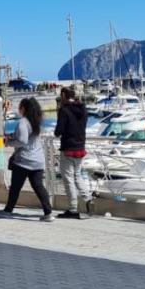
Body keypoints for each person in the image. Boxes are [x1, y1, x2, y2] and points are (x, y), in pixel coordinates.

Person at [0, 97, 54, 222]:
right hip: (38, 160)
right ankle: (48, 212)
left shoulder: (23, 122)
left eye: (20, 107)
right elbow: (27, 138)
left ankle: (8, 210)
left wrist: (9, 143)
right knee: (39, 186)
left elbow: (23, 141)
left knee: (15, 187)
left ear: (23, 108)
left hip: (24, 160)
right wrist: (13, 137)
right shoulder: (36, 121)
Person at [55, 86, 89, 219]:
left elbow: (58, 131)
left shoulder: (64, 110)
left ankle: (73, 208)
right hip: (80, 147)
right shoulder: (83, 109)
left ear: (63, 96)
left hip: (68, 148)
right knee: (78, 176)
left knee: (68, 179)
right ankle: (88, 200)